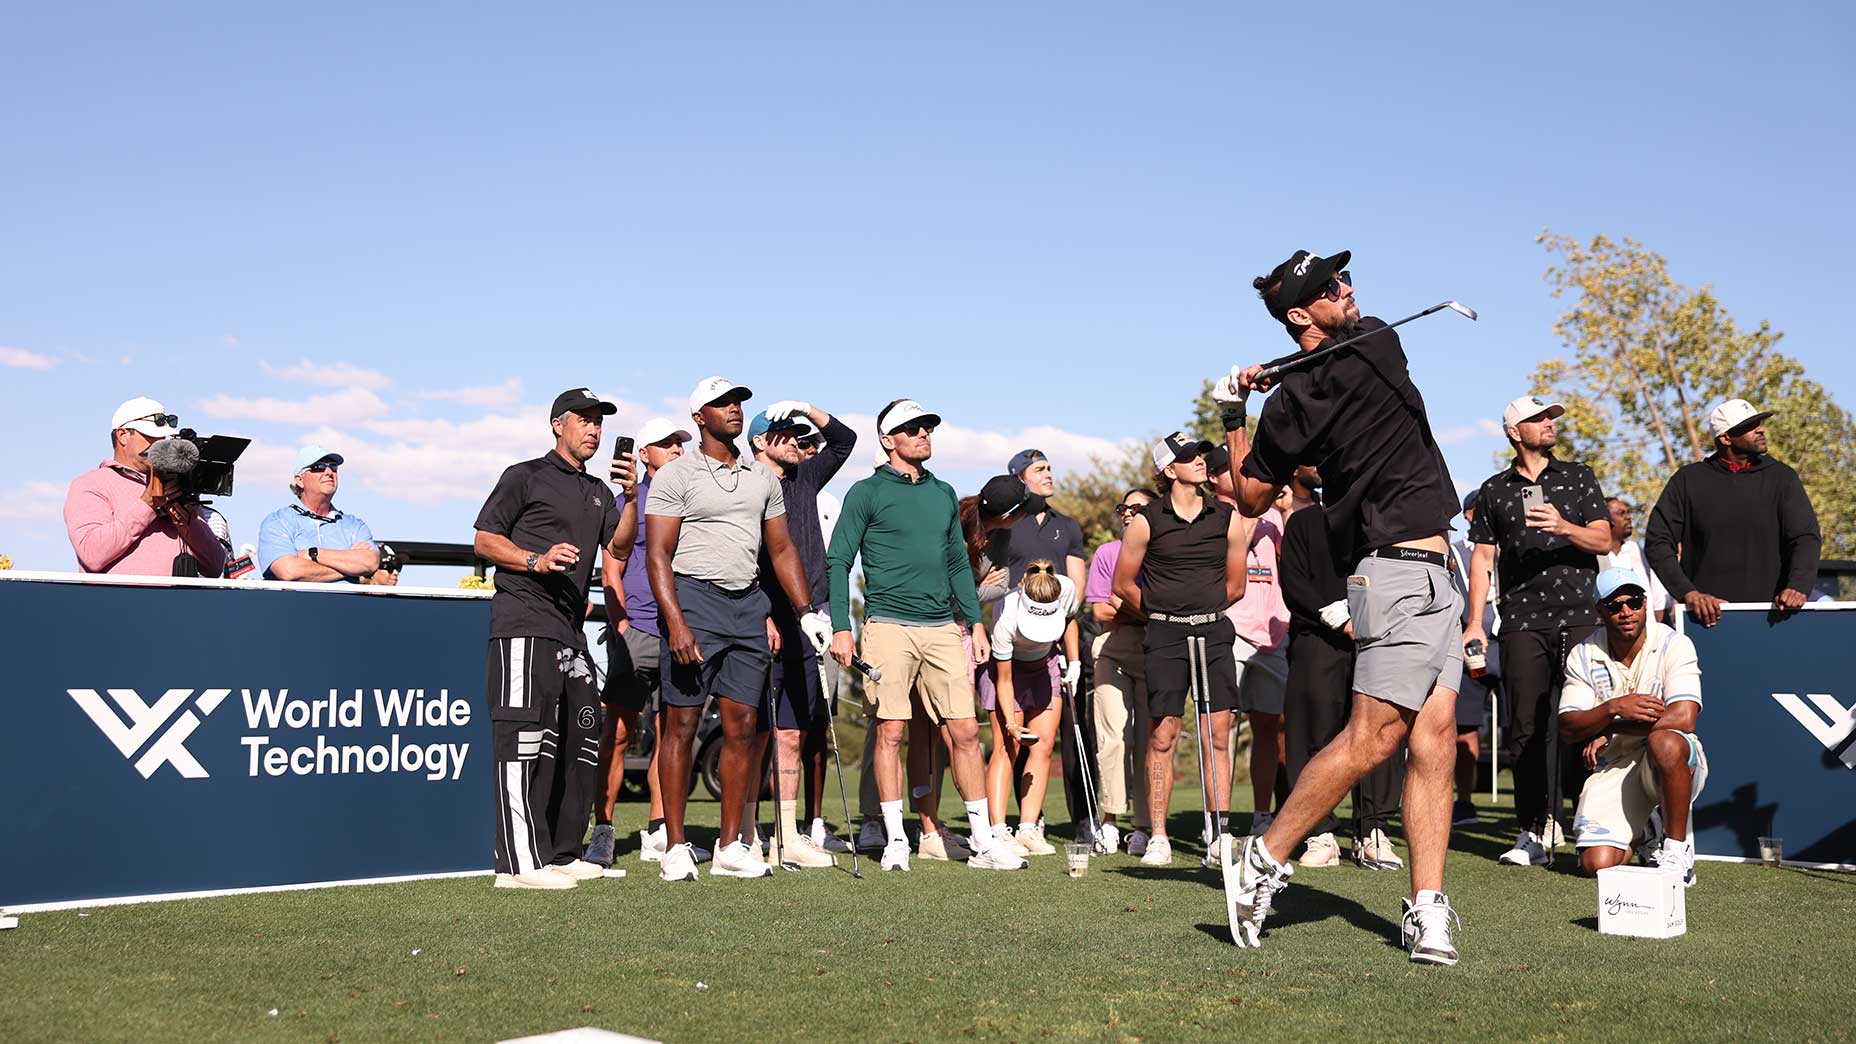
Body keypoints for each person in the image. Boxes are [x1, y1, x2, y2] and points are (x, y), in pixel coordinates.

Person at [1221, 249, 1466, 964]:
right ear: (1301, 312)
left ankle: (1426, 908)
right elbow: (1253, 499)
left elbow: (1252, 482)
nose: (1349, 288)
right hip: (1393, 572)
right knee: (1373, 740)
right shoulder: (1293, 397)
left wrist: (1246, 402)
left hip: (1436, 571)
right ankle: (1262, 861)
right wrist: (1249, 406)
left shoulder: (1371, 343)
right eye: (1331, 286)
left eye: (1344, 277)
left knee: (1436, 741)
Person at [826, 398, 1027, 872]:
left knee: (961, 731)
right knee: (892, 731)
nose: (923, 434)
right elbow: (838, 561)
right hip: (888, 626)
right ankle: (897, 840)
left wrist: (976, 621)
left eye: (927, 427)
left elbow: (958, 562)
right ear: (887, 440)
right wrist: (841, 627)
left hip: (942, 627)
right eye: (912, 428)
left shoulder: (943, 493)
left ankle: (983, 841)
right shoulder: (865, 492)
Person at [645, 376, 825, 882]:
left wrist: (806, 610)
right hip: (694, 603)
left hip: (748, 605)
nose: (733, 409)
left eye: (738, 402)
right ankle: (677, 845)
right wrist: (676, 621)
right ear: (698, 417)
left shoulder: (762, 478)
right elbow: (658, 554)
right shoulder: (676, 475)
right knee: (680, 724)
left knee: (743, 726)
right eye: (721, 404)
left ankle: (730, 847)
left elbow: (783, 549)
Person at [472, 388, 636, 890]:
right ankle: (518, 866)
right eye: (583, 420)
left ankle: (562, 853)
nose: (593, 429)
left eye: (598, 422)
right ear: (557, 425)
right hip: (523, 622)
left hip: (570, 632)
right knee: (520, 742)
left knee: (579, 740)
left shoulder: (600, 492)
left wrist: (630, 497)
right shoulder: (524, 475)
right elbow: (482, 539)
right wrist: (534, 560)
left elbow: (620, 544)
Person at [1462, 396, 1611, 869]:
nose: (1549, 424)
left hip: (1581, 613)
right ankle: (1534, 828)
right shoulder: (1492, 490)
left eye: (1551, 418)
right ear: (1514, 431)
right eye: (1538, 419)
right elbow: (1483, 560)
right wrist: (1473, 623)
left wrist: (1565, 527)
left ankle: (1592, 822)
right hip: (1522, 619)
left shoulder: (1579, 476)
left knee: (1584, 721)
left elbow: (1603, 539)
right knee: (1524, 726)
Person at [1110, 433, 1248, 869]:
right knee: (1163, 734)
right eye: (1189, 458)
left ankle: (1220, 834)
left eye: (1201, 456)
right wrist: (1164, 615)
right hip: (1165, 637)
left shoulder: (1226, 516)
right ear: (1169, 470)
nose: (1201, 462)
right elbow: (1123, 584)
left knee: (1218, 735)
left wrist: (1201, 611)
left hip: (1214, 634)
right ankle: (1159, 836)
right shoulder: (1146, 520)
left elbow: (1236, 585)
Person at [746, 398, 857, 868]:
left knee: (791, 732)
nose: (795, 441)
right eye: (784, 434)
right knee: (749, 735)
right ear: (758, 442)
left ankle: (786, 835)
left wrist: (810, 410)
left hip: (807, 622)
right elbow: (746, 559)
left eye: (798, 434)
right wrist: (764, 617)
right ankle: (746, 831)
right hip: (759, 621)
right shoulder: (743, 485)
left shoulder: (805, 477)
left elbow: (845, 440)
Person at [1278, 467, 1406, 870]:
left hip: (1375, 635)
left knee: (1379, 732)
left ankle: (1372, 831)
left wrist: (1362, 615)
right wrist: (1332, 616)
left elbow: (1394, 576)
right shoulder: (1303, 521)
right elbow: (1293, 582)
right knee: (1314, 731)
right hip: (1317, 638)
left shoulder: (1379, 522)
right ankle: (1318, 832)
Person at [1558, 568, 1707, 886]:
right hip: (1618, 763)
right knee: (1596, 864)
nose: (1626, 612)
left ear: (1645, 602)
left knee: (1664, 743)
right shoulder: (1582, 654)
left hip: (1673, 758)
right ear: (1600, 610)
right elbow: (1569, 725)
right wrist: (1613, 707)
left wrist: (1612, 726)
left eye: (1635, 602)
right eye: (1614, 605)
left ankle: (1677, 850)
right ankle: (1647, 830)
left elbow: (1685, 717)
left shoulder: (1673, 643)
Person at [586, 417, 690, 869]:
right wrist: (621, 622)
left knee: (673, 736)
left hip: (683, 633)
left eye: (679, 443)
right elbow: (612, 567)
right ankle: (603, 830)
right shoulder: (627, 500)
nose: (677, 450)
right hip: (638, 631)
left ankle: (659, 830)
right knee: (620, 731)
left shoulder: (691, 497)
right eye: (665, 445)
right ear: (643, 454)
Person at [1644, 398, 1821, 628]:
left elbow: (1805, 537)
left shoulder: (1782, 477)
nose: (1761, 429)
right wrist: (1689, 594)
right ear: (1726, 438)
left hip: (1775, 618)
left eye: (1759, 423)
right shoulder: (1688, 480)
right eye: (1750, 426)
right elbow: (1658, 542)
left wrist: (1798, 585)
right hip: (1707, 621)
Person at [994, 448, 1094, 840]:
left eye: (1050, 467)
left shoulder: (1066, 525)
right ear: (1020, 478)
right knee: (1010, 736)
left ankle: (1033, 824)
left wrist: (1070, 654)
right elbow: (990, 579)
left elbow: (1076, 593)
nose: (1049, 474)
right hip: (1008, 638)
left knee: (1050, 738)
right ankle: (1001, 823)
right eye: (1040, 469)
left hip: (1053, 638)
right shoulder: (1006, 524)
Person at [1211, 452, 1292, 843]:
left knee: (1268, 728)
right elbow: (1234, 552)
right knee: (1220, 728)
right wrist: (1254, 509)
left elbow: (1293, 558)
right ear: (1213, 478)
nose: (1245, 474)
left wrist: (1287, 512)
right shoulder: (1212, 515)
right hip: (1231, 629)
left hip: (1274, 632)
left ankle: (1262, 816)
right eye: (1234, 469)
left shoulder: (1275, 515)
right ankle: (1219, 824)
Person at [64, 397, 227, 578]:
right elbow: (91, 554)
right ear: (122, 436)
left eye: (163, 437)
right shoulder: (90, 484)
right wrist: (148, 504)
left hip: (179, 603)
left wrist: (189, 525)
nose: (160, 442)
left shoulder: (178, 484)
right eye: (150, 435)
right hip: (117, 602)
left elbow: (214, 567)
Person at [980, 559, 1080, 854]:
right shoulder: (1007, 613)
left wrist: (1074, 661)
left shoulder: (1065, 589)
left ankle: (1028, 828)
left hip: (1045, 665)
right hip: (1007, 672)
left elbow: (1070, 619)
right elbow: (1005, 679)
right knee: (1006, 747)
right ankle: (997, 830)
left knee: (1045, 744)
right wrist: (1011, 723)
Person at [1086, 487, 1156, 855]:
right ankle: (1110, 821)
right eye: (1123, 508)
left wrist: (1122, 602)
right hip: (1111, 649)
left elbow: (1157, 609)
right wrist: (1140, 607)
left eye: (1137, 507)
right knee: (1113, 738)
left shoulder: (1163, 554)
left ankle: (1143, 827)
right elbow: (1099, 612)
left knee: (1149, 743)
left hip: (1154, 652)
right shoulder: (1106, 553)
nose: (1127, 513)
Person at [258, 445, 380, 582]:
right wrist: (351, 568)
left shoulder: (354, 525)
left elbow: (370, 562)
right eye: (319, 467)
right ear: (299, 480)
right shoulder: (277, 521)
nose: (329, 472)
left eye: (333, 467)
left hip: (347, 603)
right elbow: (288, 571)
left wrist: (313, 554)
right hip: (294, 603)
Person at [1449, 492, 1497, 826]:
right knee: (1464, 725)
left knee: (1525, 724)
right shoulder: (1454, 551)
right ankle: (1464, 801)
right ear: (1469, 515)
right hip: (1469, 640)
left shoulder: (1509, 545)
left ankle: (1537, 813)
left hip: (1512, 637)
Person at [1595, 498, 1669, 625]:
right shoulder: (1596, 556)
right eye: (1621, 513)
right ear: (1605, 520)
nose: (1628, 517)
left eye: (1628, 513)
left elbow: (1658, 602)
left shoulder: (1636, 550)